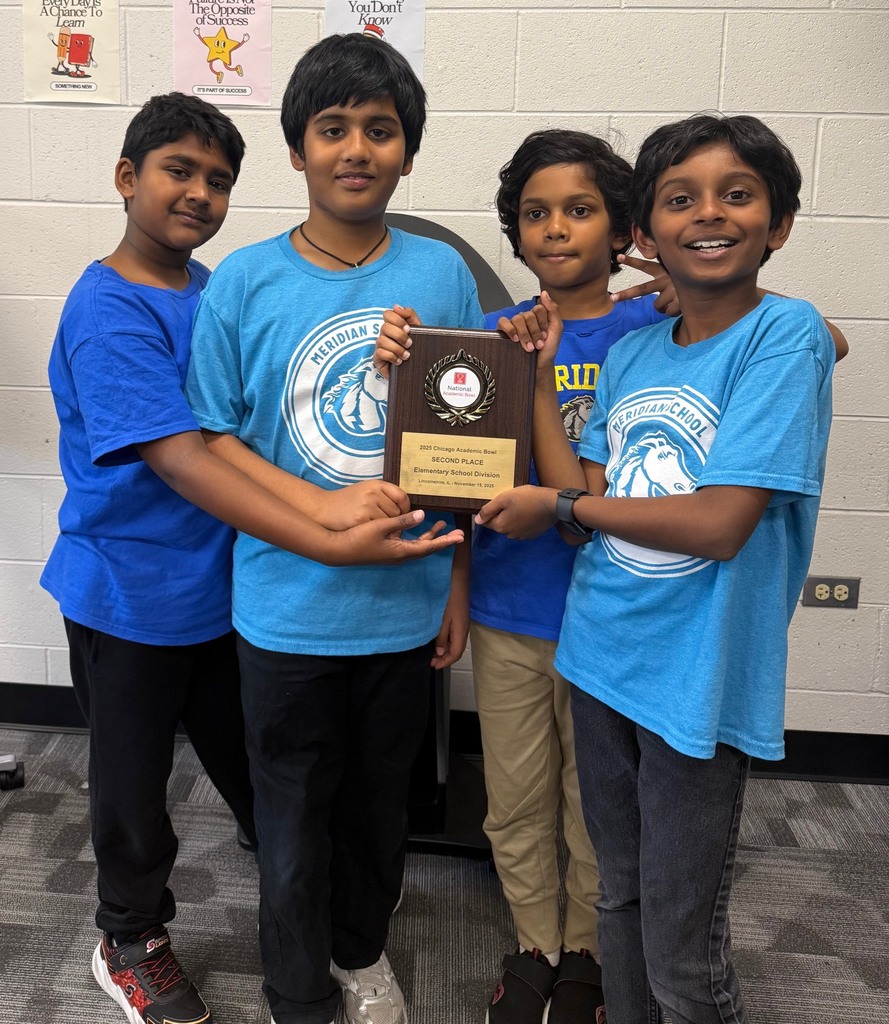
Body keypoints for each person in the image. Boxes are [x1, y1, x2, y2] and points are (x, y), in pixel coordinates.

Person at [41, 92, 463, 1024]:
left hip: (234, 590)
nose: (197, 194)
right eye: (176, 172)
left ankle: (324, 916)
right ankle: (129, 937)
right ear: (126, 178)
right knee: (133, 796)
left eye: (216, 181)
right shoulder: (111, 311)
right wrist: (327, 533)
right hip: (135, 595)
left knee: (266, 787)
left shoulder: (214, 287)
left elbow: (305, 410)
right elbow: (190, 454)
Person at [475, 114, 835, 1024]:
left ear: (778, 224)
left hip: (692, 679)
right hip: (599, 659)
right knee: (620, 898)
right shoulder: (633, 352)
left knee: (683, 947)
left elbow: (716, 525)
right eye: (679, 200)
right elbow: (581, 497)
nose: (707, 214)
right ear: (650, 230)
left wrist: (562, 507)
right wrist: (545, 388)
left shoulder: (780, 335)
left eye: (735, 196)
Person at [183, 34, 484, 1024]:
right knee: (290, 816)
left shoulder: (442, 275)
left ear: (407, 150)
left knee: (376, 809)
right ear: (298, 148)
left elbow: (462, 449)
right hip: (284, 609)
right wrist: (312, 515)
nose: (356, 148)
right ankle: (295, 988)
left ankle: (360, 952)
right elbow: (214, 437)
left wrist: (455, 577)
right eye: (333, 128)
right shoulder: (243, 283)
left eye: (380, 130)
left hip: (401, 608)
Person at [468, 130, 673, 1024]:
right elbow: (446, 478)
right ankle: (533, 943)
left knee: (597, 803)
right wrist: (399, 349)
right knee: (514, 796)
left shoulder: (658, 324)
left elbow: (821, 340)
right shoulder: (490, 336)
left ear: (621, 225)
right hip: (508, 606)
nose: (555, 229)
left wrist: (674, 275)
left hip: (612, 618)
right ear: (514, 234)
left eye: (580, 210)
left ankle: (587, 948)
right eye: (535, 213)